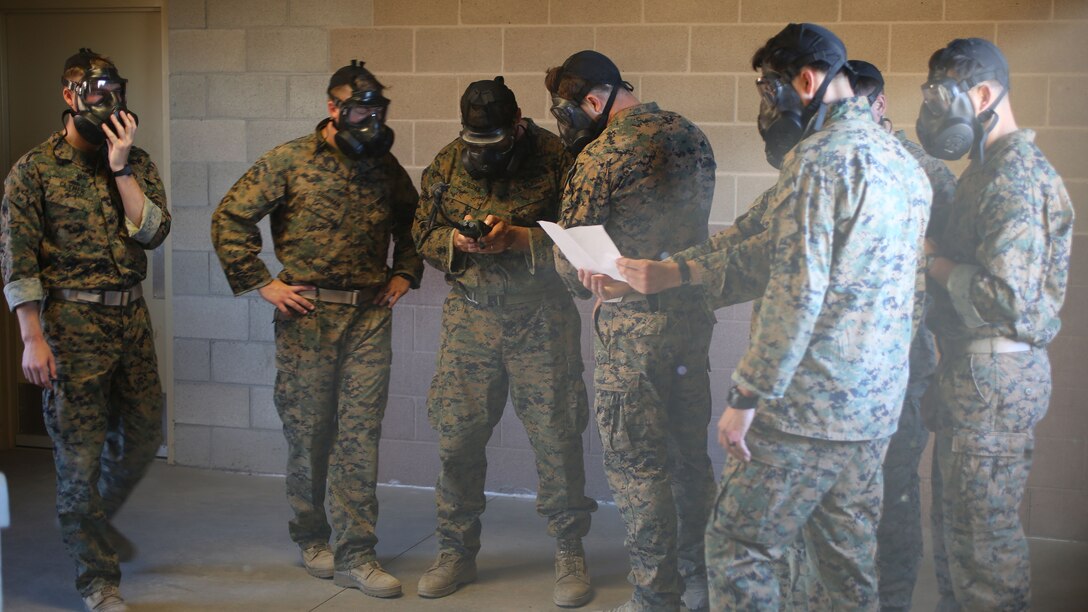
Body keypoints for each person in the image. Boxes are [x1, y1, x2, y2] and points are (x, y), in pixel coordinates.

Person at [701, 24, 931, 610]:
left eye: (769, 87)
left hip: (805, 409)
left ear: (805, 80)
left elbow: (796, 291)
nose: (767, 103)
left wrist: (745, 397)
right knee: (847, 562)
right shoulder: (904, 166)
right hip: (873, 409)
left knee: (739, 545)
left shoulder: (818, 161)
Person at [210, 60, 422, 599]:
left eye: (377, 109)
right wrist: (262, 283)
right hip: (307, 316)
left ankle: (358, 553)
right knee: (309, 434)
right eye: (357, 109)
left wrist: (404, 272)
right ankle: (311, 536)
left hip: (368, 315)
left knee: (359, 435)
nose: (369, 119)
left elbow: (413, 221)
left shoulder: (384, 164)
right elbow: (230, 217)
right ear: (332, 108)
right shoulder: (289, 159)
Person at [411, 76, 597, 607]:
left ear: (517, 124)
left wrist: (521, 239)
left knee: (557, 438)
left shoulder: (560, 158)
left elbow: (584, 233)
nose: (482, 153)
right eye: (475, 143)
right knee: (456, 439)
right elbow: (422, 232)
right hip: (470, 320)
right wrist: (457, 240)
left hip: (541, 320)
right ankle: (455, 551)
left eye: (494, 141)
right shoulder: (447, 163)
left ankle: (569, 552)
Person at [546, 50, 718, 612]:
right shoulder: (693, 137)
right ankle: (700, 576)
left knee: (637, 465)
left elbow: (572, 263)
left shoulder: (602, 155)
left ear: (592, 102)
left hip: (631, 332)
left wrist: (578, 274)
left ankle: (654, 594)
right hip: (691, 319)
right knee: (689, 454)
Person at [1, 48, 170, 612]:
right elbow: (16, 258)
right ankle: (98, 579)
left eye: (116, 94)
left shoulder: (133, 160)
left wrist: (121, 168)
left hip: (130, 318)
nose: (110, 105)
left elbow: (152, 233)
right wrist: (32, 336)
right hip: (69, 325)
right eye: (99, 96)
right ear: (70, 97)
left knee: (145, 433)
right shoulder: (34, 170)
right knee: (78, 458)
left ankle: (91, 517)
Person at [916, 38, 1073, 611]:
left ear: (983, 94)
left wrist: (931, 258)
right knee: (960, 534)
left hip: (996, 371)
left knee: (984, 547)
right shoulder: (986, 170)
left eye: (942, 97)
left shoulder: (1015, 178)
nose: (933, 113)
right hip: (973, 371)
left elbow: (1008, 298)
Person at [848, 58, 958, 612]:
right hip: (842, 373)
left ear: (881, 104)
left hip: (904, 364)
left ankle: (894, 598)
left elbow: (952, 272)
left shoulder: (926, 171)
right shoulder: (834, 165)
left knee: (894, 491)